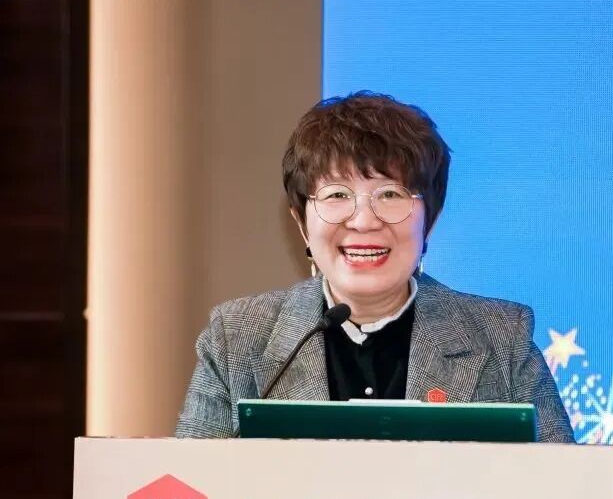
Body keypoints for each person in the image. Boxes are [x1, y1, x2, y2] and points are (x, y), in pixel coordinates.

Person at [175, 91, 574, 443]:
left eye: (390, 194)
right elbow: (194, 485)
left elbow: (564, 489)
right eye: (337, 195)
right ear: (301, 223)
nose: (364, 221)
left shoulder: (502, 339)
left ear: (430, 220)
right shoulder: (237, 339)